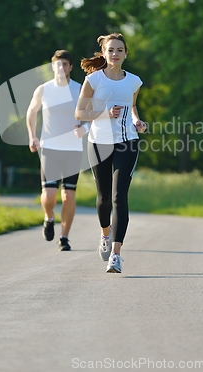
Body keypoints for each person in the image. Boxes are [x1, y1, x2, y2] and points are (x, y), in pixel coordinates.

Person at [75, 33, 146, 273]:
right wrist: (105, 114)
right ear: (104, 54)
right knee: (104, 198)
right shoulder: (93, 80)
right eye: (111, 50)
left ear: (126, 54)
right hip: (98, 142)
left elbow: (132, 105)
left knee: (119, 197)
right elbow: (80, 113)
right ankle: (105, 234)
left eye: (119, 50)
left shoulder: (134, 81)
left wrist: (137, 121)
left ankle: (115, 255)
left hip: (127, 141)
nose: (115, 54)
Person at [26, 50, 88, 251]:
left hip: (72, 149)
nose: (61, 68)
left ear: (70, 67)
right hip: (49, 148)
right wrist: (32, 136)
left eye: (65, 64)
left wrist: (84, 129)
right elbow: (31, 112)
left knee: (68, 196)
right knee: (50, 194)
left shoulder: (79, 90)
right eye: (57, 64)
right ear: (52, 67)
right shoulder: (44, 89)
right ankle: (49, 216)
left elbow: (90, 116)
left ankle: (64, 237)